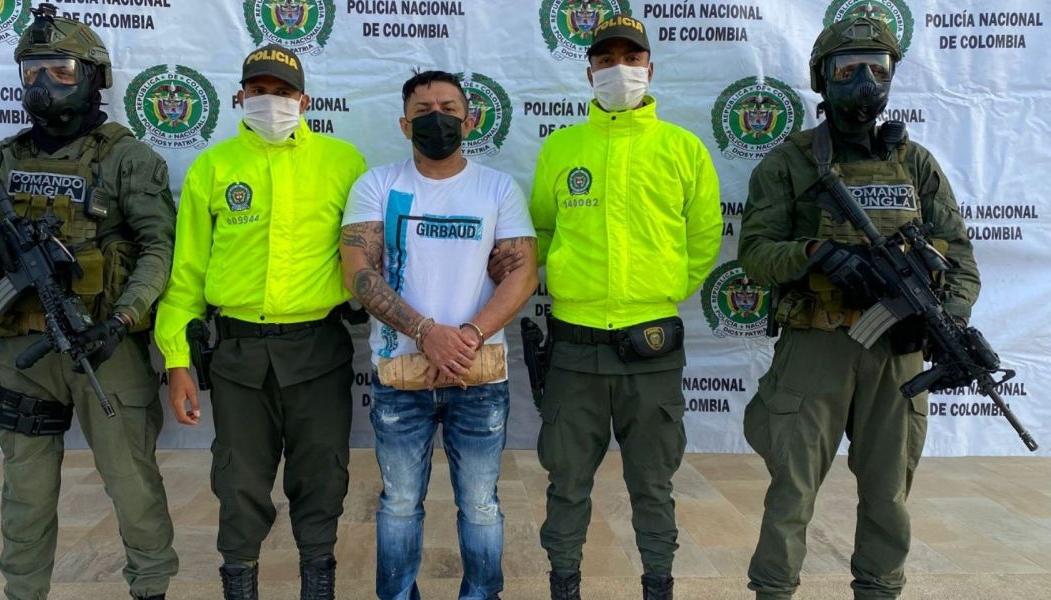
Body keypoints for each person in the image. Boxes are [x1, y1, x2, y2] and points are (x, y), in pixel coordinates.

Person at [737, 16, 980, 600]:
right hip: (816, 346)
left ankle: (879, 589)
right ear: (823, 80)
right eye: (849, 70)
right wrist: (815, 253)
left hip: (897, 351)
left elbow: (961, 256)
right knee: (792, 493)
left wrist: (945, 321)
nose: (865, 81)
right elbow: (755, 254)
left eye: (879, 68)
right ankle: (773, 590)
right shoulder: (790, 163)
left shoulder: (915, 164)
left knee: (889, 492)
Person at [0, 5, 178, 599]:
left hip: (104, 348)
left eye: (62, 71)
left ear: (95, 77)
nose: (44, 85)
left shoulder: (128, 159)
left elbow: (160, 250)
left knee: (132, 489)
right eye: (32, 72)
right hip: (23, 353)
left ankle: (151, 589)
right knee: (24, 497)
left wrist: (123, 318)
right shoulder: (0, 160)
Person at [509, 13, 722, 600]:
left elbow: (703, 237)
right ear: (589, 71)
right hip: (575, 345)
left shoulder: (682, 148)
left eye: (630, 59)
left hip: (650, 345)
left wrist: (667, 286)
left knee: (653, 483)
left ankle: (658, 584)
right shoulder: (561, 147)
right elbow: (544, 232)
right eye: (606, 60)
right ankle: (564, 584)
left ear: (649, 69)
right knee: (567, 481)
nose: (618, 69)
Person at [154, 43, 366, 600]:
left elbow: (372, 259)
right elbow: (185, 278)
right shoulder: (214, 167)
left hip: (318, 349)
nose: (271, 102)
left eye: (284, 93)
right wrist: (178, 361)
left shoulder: (343, 163)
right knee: (239, 480)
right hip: (239, 356)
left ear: (305, 100)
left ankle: (318, 584)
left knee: (322, 478)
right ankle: (239, 583)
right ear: (240, 96)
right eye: (260, 92)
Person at [339, 69, 539, 600]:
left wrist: (467, 334)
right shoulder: (378, 185)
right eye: (424, 111)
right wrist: (426, 333)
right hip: (399, 373)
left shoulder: (497, 187)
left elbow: (523, 273)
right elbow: (359, 273)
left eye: (449, 109)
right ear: (405, 125)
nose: (438, 119)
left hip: (479, 373)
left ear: (470, 120)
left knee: (480, 504)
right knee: (400, 502)